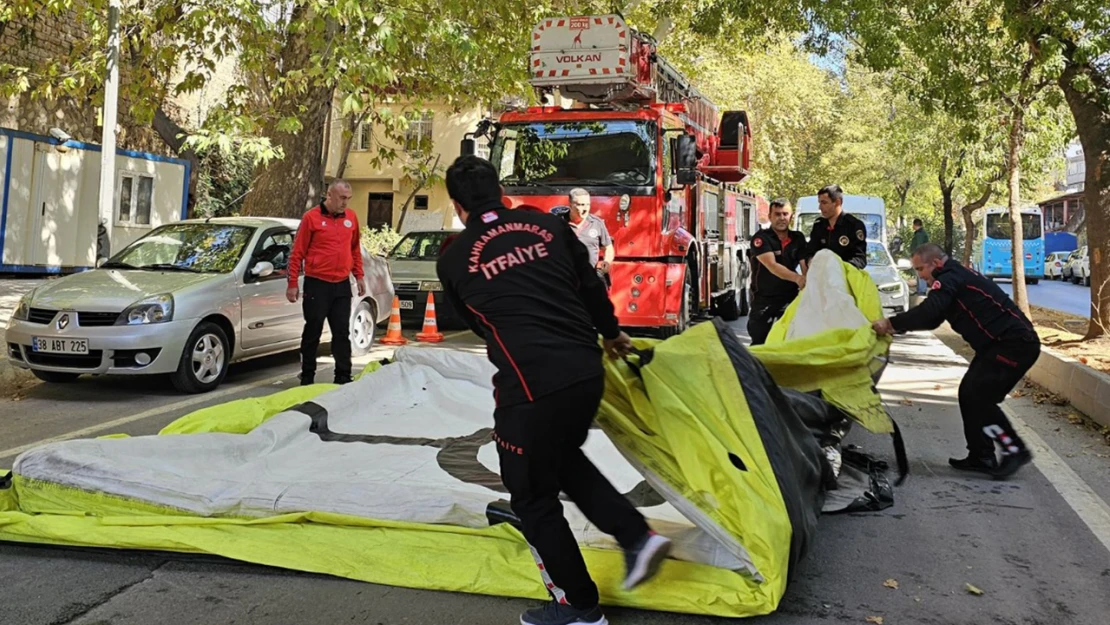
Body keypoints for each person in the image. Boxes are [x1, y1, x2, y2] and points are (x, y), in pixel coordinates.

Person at [436, 156, 672, 625]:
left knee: (531, 496)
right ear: (500, 190)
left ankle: (579, 608)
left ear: (458, 206)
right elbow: (589, 284)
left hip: (531, 388)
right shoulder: (546, 225)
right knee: (561, 459)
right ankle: (636, 537)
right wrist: (610, 332)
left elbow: (478, 324)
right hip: (586, 371)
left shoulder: (454, 257)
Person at [872, 243, 1038, 479]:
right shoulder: (954, 276)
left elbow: (930, 311)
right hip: (998, 345)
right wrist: (899, 327)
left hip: (1014, 345)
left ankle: (1014, 450)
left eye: (920, 269)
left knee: (979, 397)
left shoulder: (949, 277)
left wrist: (890, 323)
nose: (920, 276)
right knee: (971, 395)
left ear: (936, 263)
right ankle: (982, 455)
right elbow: (933, 319)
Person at [286, 180, 365, 386]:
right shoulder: (311, 218)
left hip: (341, 284)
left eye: (348, 199)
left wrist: (359, 276)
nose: (345, 203)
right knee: (313, 329)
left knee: (341, 332)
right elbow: (297, 253)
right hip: (317, 283)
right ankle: (307, 375)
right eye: (341, 198)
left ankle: (343, 376)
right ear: (329, 196)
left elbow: (354, 249)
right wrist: (292, 282)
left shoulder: (351, 218)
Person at [747, 199, 807, 346]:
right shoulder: (760, 238)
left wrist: (807, 281)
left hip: (789, 298)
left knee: (788, 341)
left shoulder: (798, 238)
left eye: (785, 214)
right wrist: (798, 278)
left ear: (791, 216)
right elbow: (772, 266)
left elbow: (804, 262)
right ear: (770, 216)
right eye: (777, 214)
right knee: (759, 340)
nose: (782, 218)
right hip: (764, 299)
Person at [803, 184, 868, 270]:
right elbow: (810, 251)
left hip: (845, 278)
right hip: (822, 278)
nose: (820, 207)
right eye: (819, 203)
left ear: (837, 202)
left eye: (824, 203)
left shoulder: (853, 225)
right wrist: (810, 261)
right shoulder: (819, 225)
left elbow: (860, 259)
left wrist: (839, 268)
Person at [568, 188, 615, 285]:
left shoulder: (597, 223)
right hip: (566, 278)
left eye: (587, 204)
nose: (585, 209)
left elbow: (608, 248)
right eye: (581, 205)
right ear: (571, 205)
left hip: (589, 278)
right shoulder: (559, 223)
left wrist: (607, 261)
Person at [910, 219, 930, 295]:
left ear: (915, 225)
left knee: (921, 273)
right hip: (921, 256)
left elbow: (919, 246)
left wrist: (915, 256)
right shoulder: (920, 233)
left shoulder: (920, 234)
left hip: (920, 257)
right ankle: (919, 289)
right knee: (919, 273)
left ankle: (922, 290)